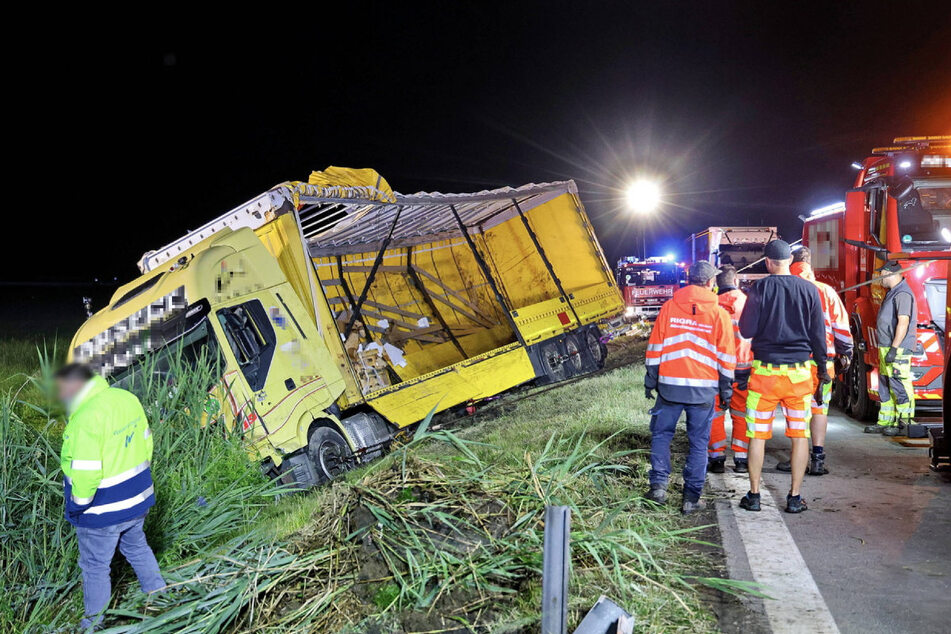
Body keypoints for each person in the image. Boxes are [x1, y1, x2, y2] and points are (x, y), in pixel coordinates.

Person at [56, 363, 165, 630]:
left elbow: (87, 473)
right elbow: (146, 442)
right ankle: (161, 596)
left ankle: (93, 623)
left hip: (102, 509)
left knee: (95, 566)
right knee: (137, 547)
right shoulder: (127, 399)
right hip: (137, 499)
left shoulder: (85, 418)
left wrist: (78, 507)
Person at [737, 240, 828, 514]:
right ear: (790, 260)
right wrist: (822, 372)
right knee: (800, 436)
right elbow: (818, 336)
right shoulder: (809, 289)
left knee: (757, 435)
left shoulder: (760, 288)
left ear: (767, 262)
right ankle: (794, 497)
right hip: (799, 376)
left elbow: (746, 330)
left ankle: (754, 496)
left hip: (764, 374)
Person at [644, 261, 736, 514]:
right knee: (698, 442)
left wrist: (651, 379)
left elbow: (655, 347)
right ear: (709, 283)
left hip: (670, 388)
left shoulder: (669, 307)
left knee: (662, 435)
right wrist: (726, 390)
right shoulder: (719, 314)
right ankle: (691, 499)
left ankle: (658, 488)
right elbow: (727, 357)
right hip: (703, 391)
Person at [775, 248, 853, 475]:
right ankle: (818, 458)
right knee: (820, 408)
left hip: (792, 362)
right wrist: (845, 352)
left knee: (795, 409)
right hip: (823, 363)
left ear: (792, 264)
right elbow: (842, 329)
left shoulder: (785, 290)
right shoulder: (827, 291)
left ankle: (796, 457)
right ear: (811, 267)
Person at [707, 266, 753, 474]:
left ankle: (717, 458)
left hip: (716, 371)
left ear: (716, 283)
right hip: (743, 368)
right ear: (735, 280)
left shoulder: (711, 306)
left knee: (715, 414)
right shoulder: (748, 303)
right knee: (740, 413)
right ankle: (741, 460)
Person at [864, 260, 917, 436]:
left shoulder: (903, 294)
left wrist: (894, 348)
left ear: (889, 273)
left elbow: (903, 321)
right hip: (886, 346)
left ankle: (904, 424)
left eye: (881, 274)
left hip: (898, 348)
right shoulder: (893, 292)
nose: (879, 278)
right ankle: (886, 421)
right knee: (885, 385)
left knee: (899, 383)